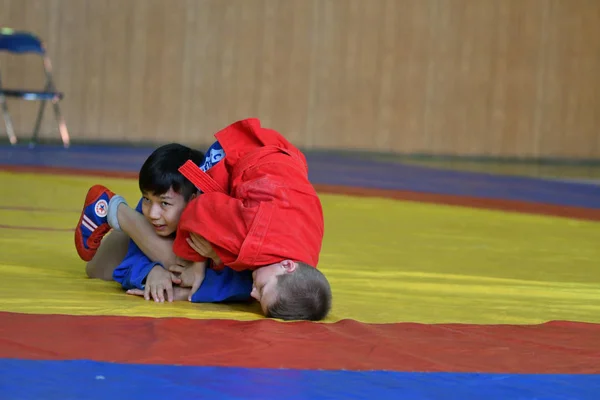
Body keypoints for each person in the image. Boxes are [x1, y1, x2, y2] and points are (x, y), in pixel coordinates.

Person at [171, 118, 332, 321]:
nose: (253, 294)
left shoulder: (306, 259)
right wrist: (198, 265)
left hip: (283, 153)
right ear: (288, 266)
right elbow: (197, 210)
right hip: (232, 153)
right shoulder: (253, 237)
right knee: (180, 221)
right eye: (262, 289)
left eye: (258, 298)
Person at [75, 143, 253, 303]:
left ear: (193, 200)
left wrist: (187, 291)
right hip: (122, 243)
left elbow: (246, 284)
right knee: (96, 270)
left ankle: (114, 210)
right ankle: (116, 212)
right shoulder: (157, 205)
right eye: (146, 199)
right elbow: (127, 265)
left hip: (221, 249)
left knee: (188, 267)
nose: (153, 213)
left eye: (164, 203)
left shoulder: (220, 216)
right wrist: (150, 271)